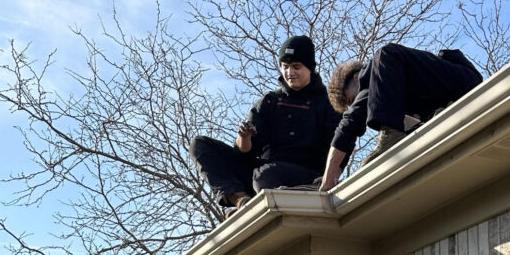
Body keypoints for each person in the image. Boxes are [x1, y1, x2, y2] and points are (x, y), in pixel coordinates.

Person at [190, 36, 341, 215]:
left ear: (309, 67)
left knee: (265, 176)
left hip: (307, 175)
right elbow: (243, 155)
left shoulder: (327, 102)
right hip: (261, 175)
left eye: (296, 67)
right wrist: (244, 137)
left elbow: (339, 145)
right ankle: (242, 201)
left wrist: (330, 177)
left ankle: (272, 195)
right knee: (200, 145)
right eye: (285, 67)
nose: (289, 72)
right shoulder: (270, 101)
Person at [320, 43, 482, 191]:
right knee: (401, 114)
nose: (356, 105)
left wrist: (328, 179)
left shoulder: (375, 69)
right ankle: (436, 115)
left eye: (351, 100)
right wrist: (335, 176)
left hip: (463, 80)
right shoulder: (396, 86)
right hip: (452, 98)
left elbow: (350, 124)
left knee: (385, 54)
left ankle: (392, 135)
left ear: (356, 77)